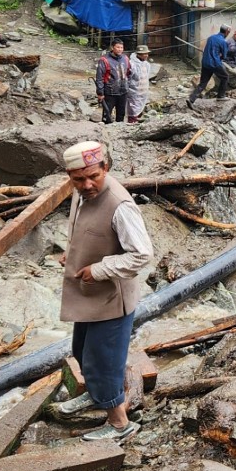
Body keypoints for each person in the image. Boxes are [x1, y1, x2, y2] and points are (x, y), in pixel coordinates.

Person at [50, 141, 153, 442]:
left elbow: (142, 254)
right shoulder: (81, 193)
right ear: (70, 175)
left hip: (111, 298)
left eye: (93, 176)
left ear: (105, 168)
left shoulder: (119, 205)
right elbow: (86, 229)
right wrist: (74, 253)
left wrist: (98, 270)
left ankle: (120, 424)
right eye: (78, 179)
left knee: (103, 361)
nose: (87, 184)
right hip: (90, 295)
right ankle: (95, 395)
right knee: (82, 351)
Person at [191, 25, 232, 103]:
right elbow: (224, 56)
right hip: (215, 63)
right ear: (227, 32)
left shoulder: (211, 37)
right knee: (225, 77)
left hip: (205, 62)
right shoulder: (223, 42)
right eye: (229, 32)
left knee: (203, 83)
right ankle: (221, 96)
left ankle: (191, 99)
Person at [97, 39, 131, 125]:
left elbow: (128, 73)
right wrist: (100, 93)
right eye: (118, 47)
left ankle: (119, 132)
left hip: (123, 91)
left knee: (121, 114)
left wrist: (128, 85)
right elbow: (99, 77)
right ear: (112, 47)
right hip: (110, 92)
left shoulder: (125, 58)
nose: (120, 49)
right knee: (107, 114)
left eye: (121, 47)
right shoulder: (104, 60)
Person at [124, 45, 151, 123]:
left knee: (140, 108)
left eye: (147, 53)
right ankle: (131, 124)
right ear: (138, 54)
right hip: (134, 91)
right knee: (133, 110)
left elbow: (147, 77)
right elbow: (127, 77)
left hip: (143, 91)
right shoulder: (131, 64)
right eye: (144, 54)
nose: (146, 55)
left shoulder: (147, 64)